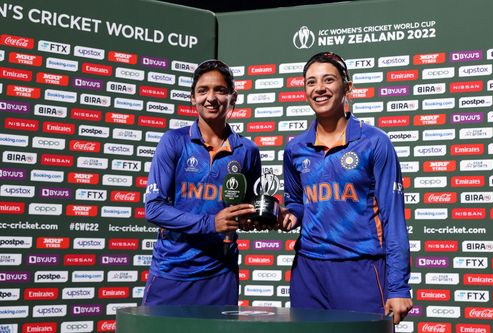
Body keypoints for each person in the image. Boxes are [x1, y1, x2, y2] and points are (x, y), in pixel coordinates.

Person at [280, 52, 412, 324]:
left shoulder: (374, 142)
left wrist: (398, 285)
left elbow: (393, 219)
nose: (319, 89)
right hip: (308, 272)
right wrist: (290, 215)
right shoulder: (295, 148)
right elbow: (297, 203)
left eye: (328, 80)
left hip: (360, 269)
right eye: (311, 82)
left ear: (347, 87)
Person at [143, 59, 261, 306]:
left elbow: (244, 208)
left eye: (220, 90)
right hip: (172, 270)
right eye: (203, 90)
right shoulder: (173, 142)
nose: (211, 98)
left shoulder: (247, 150)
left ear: (233, 97)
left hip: (220, 274)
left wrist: (255, 217)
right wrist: (211, 223)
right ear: (192, 98)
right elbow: (154, 208)